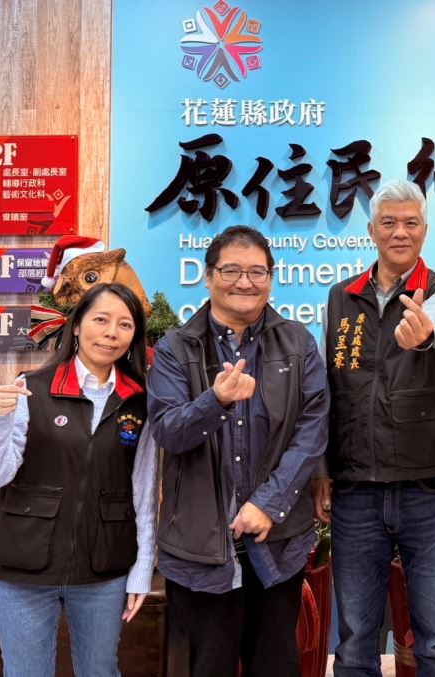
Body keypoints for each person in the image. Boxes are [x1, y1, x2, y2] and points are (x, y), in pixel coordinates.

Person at [147, 225, 329, 676]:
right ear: (208, 276)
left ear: (271, 278)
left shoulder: (299, 343)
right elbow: (168, 432)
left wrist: (268, 504)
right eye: (231, 271)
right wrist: (216, 401)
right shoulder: (174, 349)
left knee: (276, 665)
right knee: (207, 666)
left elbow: (312, 431)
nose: (244, 282)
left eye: (256, 272)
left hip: (277, 543)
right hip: (200, 549)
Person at [312, 179, 435, 676]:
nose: (400, 232)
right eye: (389, 223)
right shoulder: (340, 297)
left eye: (411, 223)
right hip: (356, 489)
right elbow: (327, 390)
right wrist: (322, 469)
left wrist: (424, 330)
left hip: (429, 489)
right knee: (355, 641)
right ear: (371, 231)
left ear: (425, 231)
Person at [0, 283, 157, 677]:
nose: (111, 332)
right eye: (101, 319)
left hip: (103, 568)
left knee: (100, 671)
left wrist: (141, 573)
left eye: (125, 324)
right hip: (25, 566)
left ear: (134, 336)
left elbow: (144, 492)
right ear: (77, 325)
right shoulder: (31, 388)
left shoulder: (140, 402)